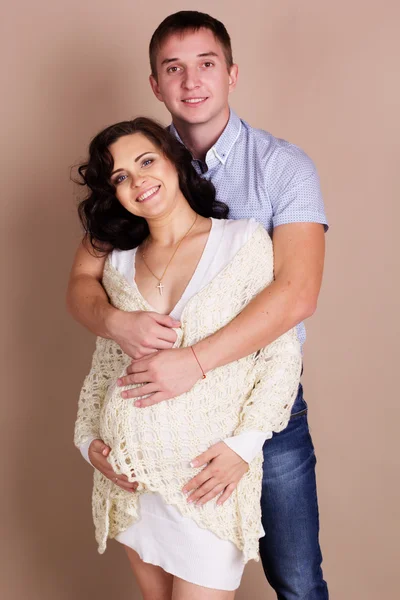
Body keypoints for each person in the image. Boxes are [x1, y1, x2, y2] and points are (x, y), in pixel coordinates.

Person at [68, 11, 329, 600]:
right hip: (141, 464)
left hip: (258, 411)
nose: (191, 81)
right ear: (156, 85)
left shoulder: (281, 169)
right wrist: (117, 322)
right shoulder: (137, 168)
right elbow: (88, 287)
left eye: (206, 64)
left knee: (295, 577)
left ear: (232, 73)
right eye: (173, 68)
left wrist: (197, 363)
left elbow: (296, 296)